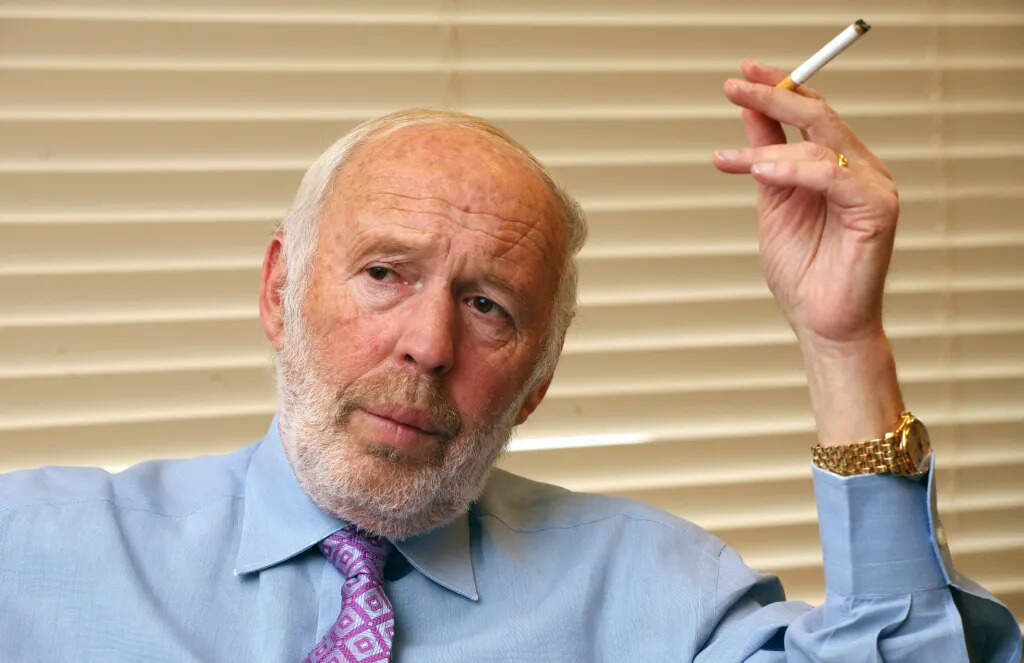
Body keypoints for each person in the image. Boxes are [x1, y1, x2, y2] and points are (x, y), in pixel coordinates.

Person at [0, 60, 1019, 662]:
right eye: (385, 273)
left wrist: (843, 345)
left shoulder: (661, 594)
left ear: (539, 382)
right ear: (278, 292)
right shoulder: (37, 550)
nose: (428, 344)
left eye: (488, 306)